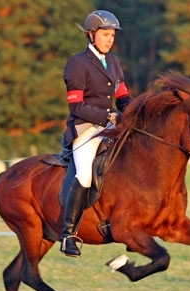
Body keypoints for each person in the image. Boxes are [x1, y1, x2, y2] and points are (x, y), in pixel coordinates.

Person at [60, 10, 133, 257]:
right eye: (105, 34)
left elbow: (122, 98)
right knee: (84, 176)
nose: (109, 39)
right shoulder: (77, 63)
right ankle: (68, 234)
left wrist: (135, 112)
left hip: (110, 127)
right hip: (86, 129)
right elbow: (76, 105)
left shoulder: (113, 62)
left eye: (112, 35)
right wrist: (107, 117)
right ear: (92, 35)